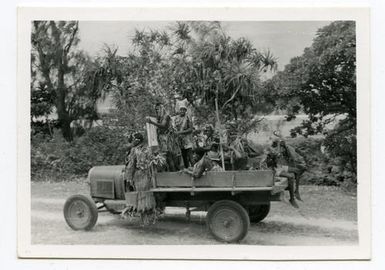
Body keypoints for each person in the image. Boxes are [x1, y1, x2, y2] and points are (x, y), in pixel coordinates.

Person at [123, 132, 157, 225]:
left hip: (140, 175)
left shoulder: (135, 150)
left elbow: (131, 165)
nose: (132, 141)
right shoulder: (148, 149)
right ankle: (150, 219)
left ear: (137, 140)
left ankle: (145, 220)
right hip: (145, 175)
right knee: (147, 196)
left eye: (133, 139)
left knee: (141, 197)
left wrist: (128, 177)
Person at [263, 138, 306, 208]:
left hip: (279, 167)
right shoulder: (270, 149)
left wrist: (285, 147)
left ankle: (296, 191)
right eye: (280, 144)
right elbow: (270, 162)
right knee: (291, 177)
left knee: (297, 171)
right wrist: (274, 154)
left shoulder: (280, 149)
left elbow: (289, 156)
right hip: (273, 170)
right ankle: (292, 198)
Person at [146, 102, 180, 171]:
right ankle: (170, 173)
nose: (156, 111)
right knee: (166, 157)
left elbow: (163, 126)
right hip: (162, 140)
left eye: (158, 109)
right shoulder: (159, 117)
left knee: (169, 156)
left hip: (167, 140)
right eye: (155, 109)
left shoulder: (166, 116)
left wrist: (152, 122)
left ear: (161, 109)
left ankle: (174, 173)